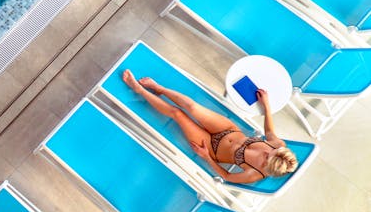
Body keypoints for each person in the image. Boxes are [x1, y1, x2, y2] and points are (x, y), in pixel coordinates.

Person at [122, 70, 298, 183]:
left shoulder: (254, 174)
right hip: (228, 130)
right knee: (192, 107)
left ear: (267, 168)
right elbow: (269, 132)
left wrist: (207, 157)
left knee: (178, 114)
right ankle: (159, 88)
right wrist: (266, 105)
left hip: (212, 148)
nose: (267, 152)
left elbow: (227, 176)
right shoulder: (278, 145)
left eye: (267, 158)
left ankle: (140, 90)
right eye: (271, 152)